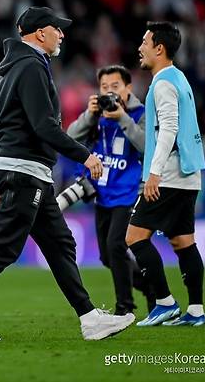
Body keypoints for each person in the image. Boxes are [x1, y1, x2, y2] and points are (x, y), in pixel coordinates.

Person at [0, 6, 135, 342]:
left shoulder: (14, 68)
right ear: (40, 32)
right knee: (2, 248)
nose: (62, 34)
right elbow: (43, 126)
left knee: (60, 244)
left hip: (23, 170)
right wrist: (85, 155)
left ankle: (89, 318)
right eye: (57, 28)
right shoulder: (30, 66)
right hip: (25, 169)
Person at [126, 21, 205, 327]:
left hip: (170, 175)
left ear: (159, 48)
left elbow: (169, 129)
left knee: (134, 237)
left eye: (145, 42)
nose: (140, 47)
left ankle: (164, 302)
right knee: (183, 241)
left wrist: (154, 174)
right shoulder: (179, 78)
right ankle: (196, 311)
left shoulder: (162, 83)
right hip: (188, 173)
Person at [66, 65, 155, 315]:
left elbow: (147, 146)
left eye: (115, 86)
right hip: (102, 193)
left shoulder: (140, 113)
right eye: (104, 87)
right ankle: (151, 289)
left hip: (128, 193)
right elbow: (69, 139)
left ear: (128, 87)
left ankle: (124, 307)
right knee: (107, 256)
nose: (109, 92)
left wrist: (122, 118)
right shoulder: (98, 115)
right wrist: (89, 115)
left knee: (117, 246)